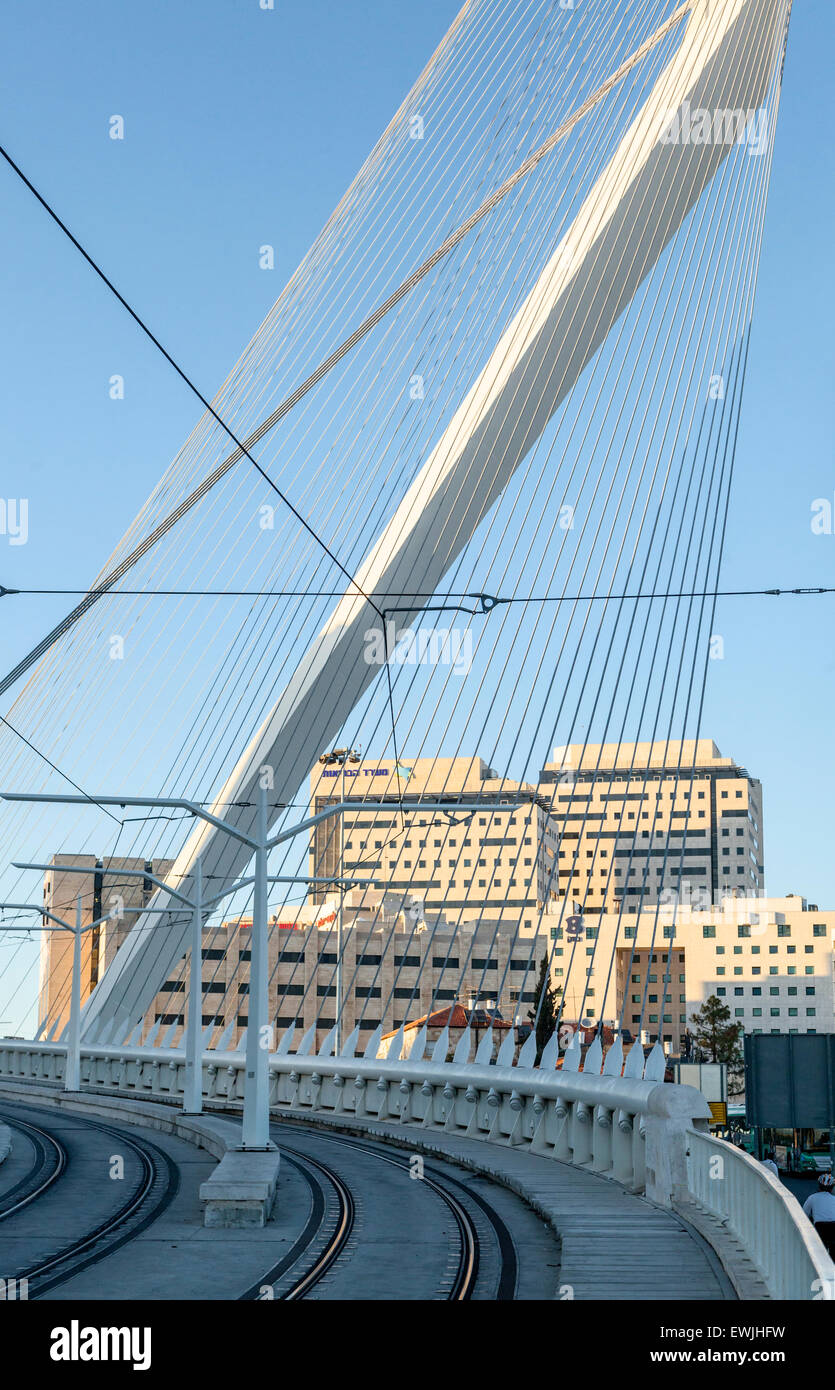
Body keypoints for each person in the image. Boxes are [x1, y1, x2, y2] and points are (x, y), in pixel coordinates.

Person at [802, 1173, 835, 1259]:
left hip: (820, 1227)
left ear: (819, 1186)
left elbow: (804, 1214)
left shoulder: (812, 1198)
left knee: (819, 1255)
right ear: (832, 1188)